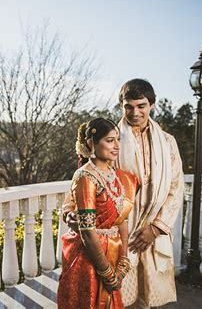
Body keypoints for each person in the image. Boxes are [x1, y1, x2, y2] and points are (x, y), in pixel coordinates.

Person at [64, 79, 184, 308]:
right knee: (115, 299)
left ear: (152, 105)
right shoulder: (110, 141)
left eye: (142, 105)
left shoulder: (168, 143)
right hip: (118, 235)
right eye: (129, 106)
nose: (135, 112)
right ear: (121, 106)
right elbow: (83, 178)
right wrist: (70, 212)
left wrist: (156, 228)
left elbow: (176, 187)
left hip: (152, 232)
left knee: (147, 301)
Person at [57, 117, 139, 309]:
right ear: (91, 143)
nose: (116, 145)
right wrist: (107, 273)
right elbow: (87, 232)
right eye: (110, 140)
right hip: (90, 257)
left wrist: (123, 260)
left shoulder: (117, 175)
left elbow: (121, 219)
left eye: (118, 139)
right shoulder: (86, 177)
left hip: (113, 252)